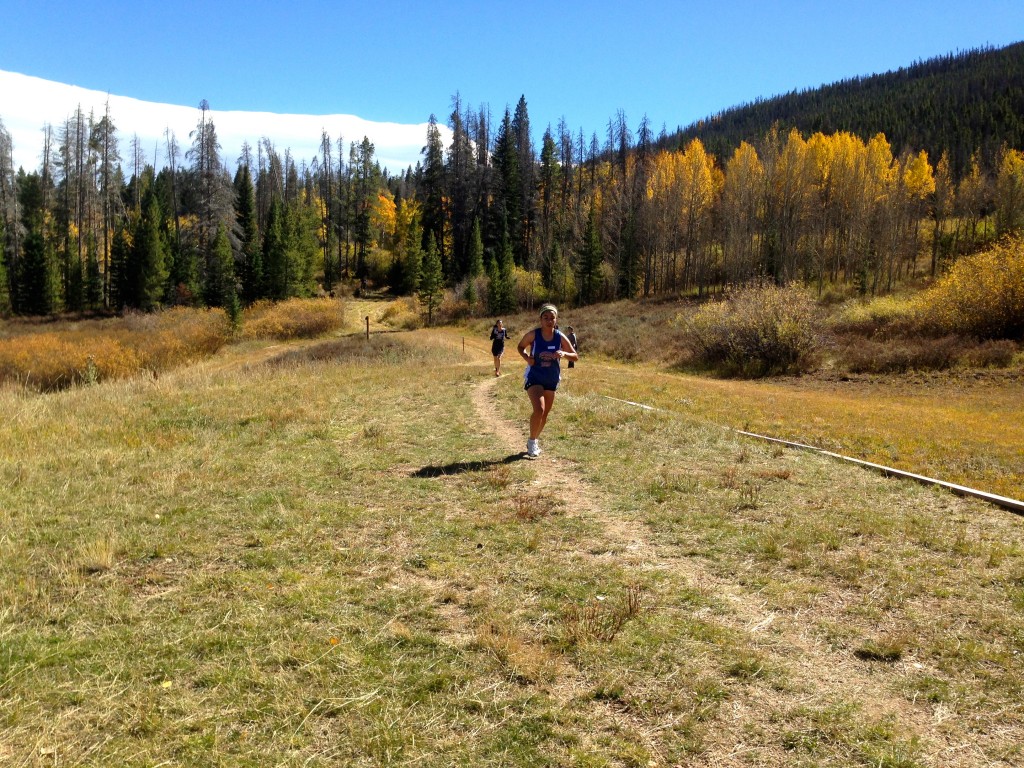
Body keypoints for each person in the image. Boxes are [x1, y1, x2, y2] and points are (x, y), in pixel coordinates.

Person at [516, 303, 578, 458]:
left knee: (545, 414)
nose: (549, 320)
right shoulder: (534, 335)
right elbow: (520, 346)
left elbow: (575, 356)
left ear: (556, 320)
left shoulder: (559, 336)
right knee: (539, 409)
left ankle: (534, 440)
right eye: (546, 318)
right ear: (540, 319)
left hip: (551, 378)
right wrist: (527, 358)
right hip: (535, 376)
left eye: (552, 318)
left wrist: (563, 353)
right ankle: (531, 442)